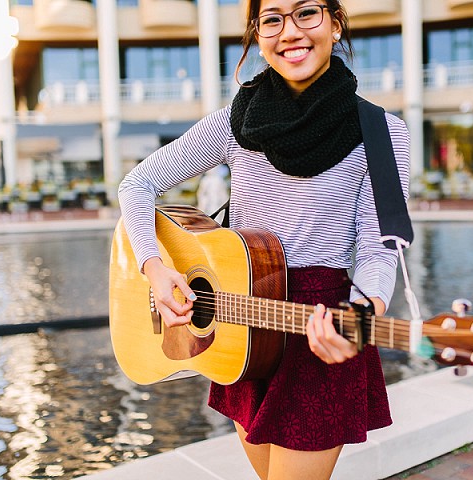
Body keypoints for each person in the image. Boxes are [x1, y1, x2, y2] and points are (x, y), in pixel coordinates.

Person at [117, 1, 410, 478]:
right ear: (258, 36)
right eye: (272, 19)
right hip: (244, 330)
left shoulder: (380, 131)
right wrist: (154, 267)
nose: (289, 31)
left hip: (320, 327)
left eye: (306, 13)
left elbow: (380, 244)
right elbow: (137, 185)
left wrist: (365, 311)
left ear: (335, 24)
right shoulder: (234, 122)